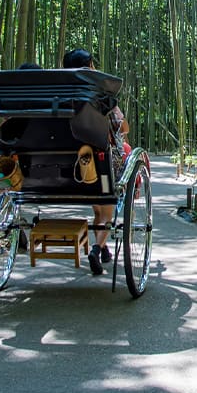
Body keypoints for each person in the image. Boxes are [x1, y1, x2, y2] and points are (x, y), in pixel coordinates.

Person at [62, 48, 129, 275]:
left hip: (62, 169)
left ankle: (103, 245)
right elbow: (123, 126)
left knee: (99, 211)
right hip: (96, 167)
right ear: (90, 66)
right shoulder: (97, 92)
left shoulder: (53, 93)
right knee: (106, 209)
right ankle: (96, 249)